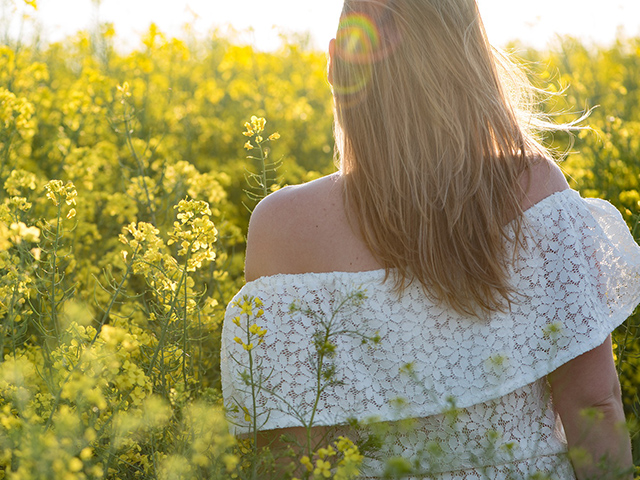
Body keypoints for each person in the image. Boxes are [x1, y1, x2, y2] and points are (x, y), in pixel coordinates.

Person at [221, 0, 638, 478]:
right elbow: (595, 405)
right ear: (472, 62)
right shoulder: (535, 188)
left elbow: (290, 456)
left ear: (335, 66)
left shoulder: (284, 226)